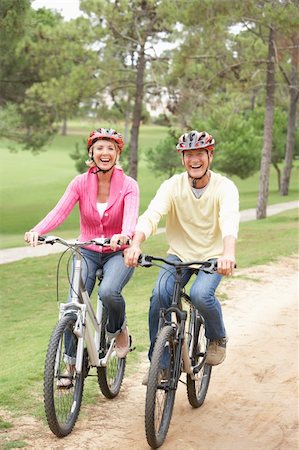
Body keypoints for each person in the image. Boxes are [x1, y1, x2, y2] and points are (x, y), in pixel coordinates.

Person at [124, 130, 239, 384]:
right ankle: (160, 363)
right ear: (182, 158)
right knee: (159, 296)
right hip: (179, 254)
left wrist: (228, 253)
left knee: (200, 295)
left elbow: (229, 221)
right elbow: (152, 215)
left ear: (210, 156)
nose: (194, 160)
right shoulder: (172, 186)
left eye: (200, 154)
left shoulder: (225, 187)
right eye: (189, 155)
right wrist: (135, 244)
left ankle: (217, 336)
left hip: (213, 256)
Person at [24, 128, 139, 376]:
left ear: (118, 153)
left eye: (110, 148)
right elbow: (59, 211)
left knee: (109, 292)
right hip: (85, 250)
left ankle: (118, 329)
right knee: (72, 307)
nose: (104, 153)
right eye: (99, 148)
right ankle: (70, 364)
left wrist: (126, 234)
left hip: (117, 251)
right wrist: (37, 230)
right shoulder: (80, 182)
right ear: (92, 153)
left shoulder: (129, 185)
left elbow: (131, 217)